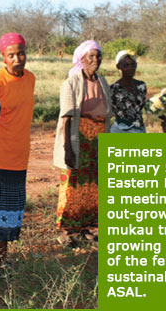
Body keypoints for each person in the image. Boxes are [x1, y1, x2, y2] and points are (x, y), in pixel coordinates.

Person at [0, 33, 35, 267]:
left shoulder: (31, 78)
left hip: (19, 155)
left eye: (20, 53)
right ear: (3, 57)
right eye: (11, 55)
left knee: (10, 210)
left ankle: (1, 259)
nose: (17, 59)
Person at [53, 40, 112, 246]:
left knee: (93, 185)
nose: (95, 60)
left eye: (98, 56)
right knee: (72, 183)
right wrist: (68, 148)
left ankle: (86, 227)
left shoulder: (103, 82)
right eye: (91, 56)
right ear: (81, 59)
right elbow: (67, 118)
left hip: (98, 138)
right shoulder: (71, 83)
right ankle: (68, 230)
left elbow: (108, 114)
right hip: (78, 137)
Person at [110, 50, 148, 133]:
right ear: (118, 66)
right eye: (126, 65)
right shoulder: (113, 89)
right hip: (120, 130)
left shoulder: (141, 86)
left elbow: (140, 107)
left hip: (139, 129)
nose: (130, 68)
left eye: (133, 65)